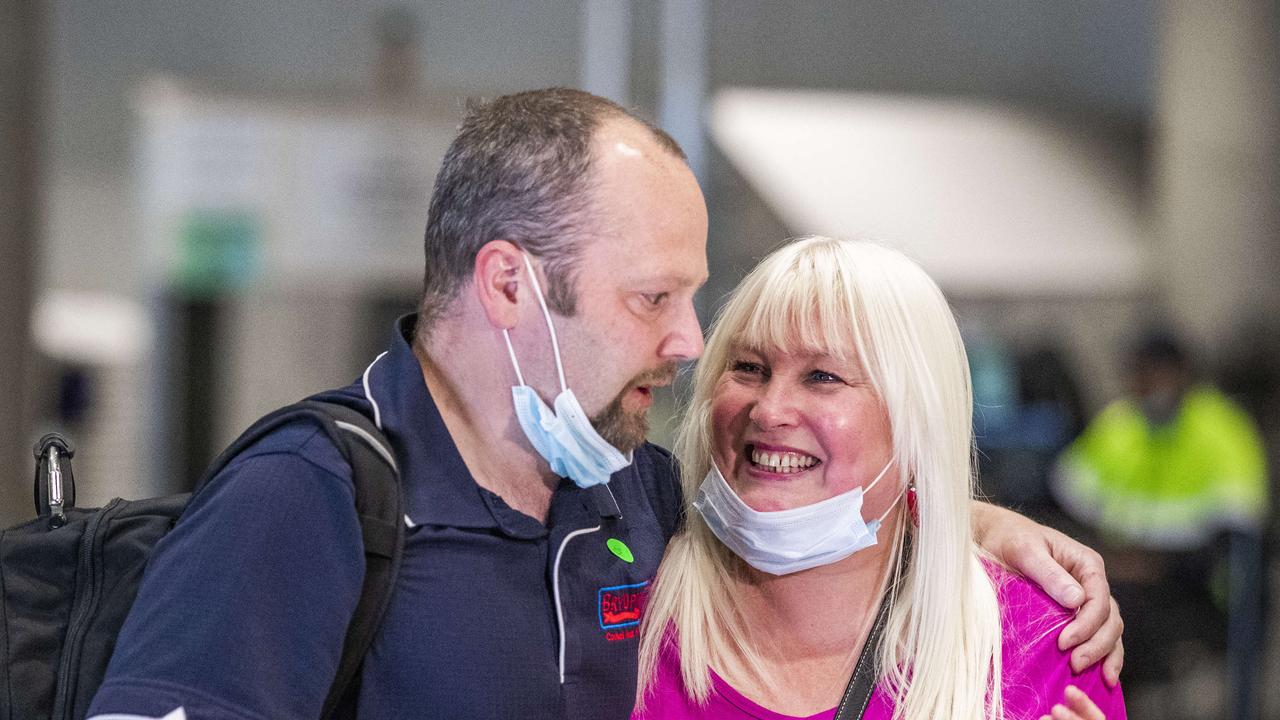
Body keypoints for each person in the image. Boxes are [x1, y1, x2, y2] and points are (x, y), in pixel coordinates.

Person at [88, 89, 1121, 720]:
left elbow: (823, 516)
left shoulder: (624, 497)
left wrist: (976, 524)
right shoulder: (304, 503)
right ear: (508, 287)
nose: (687, 341)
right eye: (652, 298)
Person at [633, 237, 1125, 719]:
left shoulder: (1042, 648)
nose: (769, 410)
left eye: (823, 376)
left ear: (918, 424)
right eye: (748, 368)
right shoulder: (618, 603)